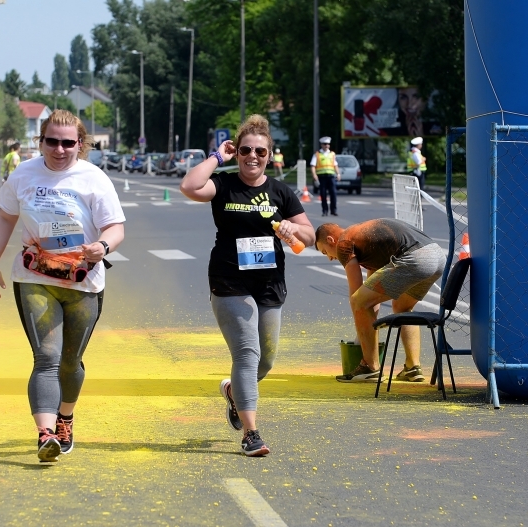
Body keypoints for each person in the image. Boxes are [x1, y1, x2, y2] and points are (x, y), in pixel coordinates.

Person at [0, 110, 126, 463]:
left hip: (83, 281)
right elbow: (4, 216)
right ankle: (45, 433)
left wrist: (103, 247)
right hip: (35, 277)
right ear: (41, 141)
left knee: (70, 361)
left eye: (68, 143)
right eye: (52, 141)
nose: (60, 149)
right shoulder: (25, 173)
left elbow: (115, 228)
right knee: (46, 357)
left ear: (80, 144)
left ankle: (65, 417)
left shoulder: (94, 178)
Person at [180, 114, 315, 457]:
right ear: (236, 152)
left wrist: (291, 230)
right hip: (229, 280)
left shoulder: (281, 192)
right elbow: (190, 186)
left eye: (259, 151)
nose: (251, 157)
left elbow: (310, 236)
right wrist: (215, 157)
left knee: (265, 361)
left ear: (269, 154)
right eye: (244, 150)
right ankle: (251, 433)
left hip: (269, 282)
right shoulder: (223, 185)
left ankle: (233, 394)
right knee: (246, 351)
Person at [314, 219, 445, 383]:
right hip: (437, 257)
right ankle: (412, 367)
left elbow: (357, 294)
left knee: (357, 301)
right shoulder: (367, 242)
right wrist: (366, 327)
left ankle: (370, 367)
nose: (329, 258)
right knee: (402, 307)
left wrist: (362, 333)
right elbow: (371, 296)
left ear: (330, 240)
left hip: (416, 258)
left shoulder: (343, 243)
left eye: (325, 252)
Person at [310, 136, 340, 217]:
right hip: (322, 177)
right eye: (325, 144)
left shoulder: (332, 154)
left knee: (333, 193)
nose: (326, 145)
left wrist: (338, 174)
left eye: (328, 144)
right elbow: (312, 165)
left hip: (331, 176)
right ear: (321, 145)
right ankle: (325, 211)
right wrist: (314, 175)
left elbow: (335, 165)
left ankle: (333, 210)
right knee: (323, 194)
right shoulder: (317, 154)